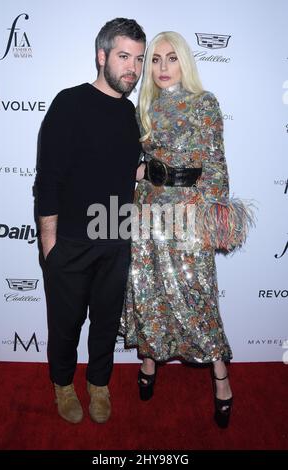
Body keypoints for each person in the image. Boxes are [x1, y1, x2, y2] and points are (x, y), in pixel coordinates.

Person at [120, 31, 254, 428]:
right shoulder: (143, 106)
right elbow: (135, 158)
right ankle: (149, 360)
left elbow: (215, 163)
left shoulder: (204, 103)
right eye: (156, 60)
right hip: (148, 212)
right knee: (148, 288)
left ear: (185, 63)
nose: (162, 68)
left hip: (188, 213)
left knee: (198, 296)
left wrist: (210, 213)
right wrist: (138, 171)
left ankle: (221, 377)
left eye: (171, 58)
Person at [36, 18, 146, 424]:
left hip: (116, 237)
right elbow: (48, 179)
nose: (132, 67)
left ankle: (98, 383)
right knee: (65, 325)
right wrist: (50, 245)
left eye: (138, 58)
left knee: (105, 323)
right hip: (71, 241)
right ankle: (62, 384)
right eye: (123, 56)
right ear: (101, 57)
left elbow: (120, 168)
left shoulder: (130, 113)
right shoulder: (70, 103)